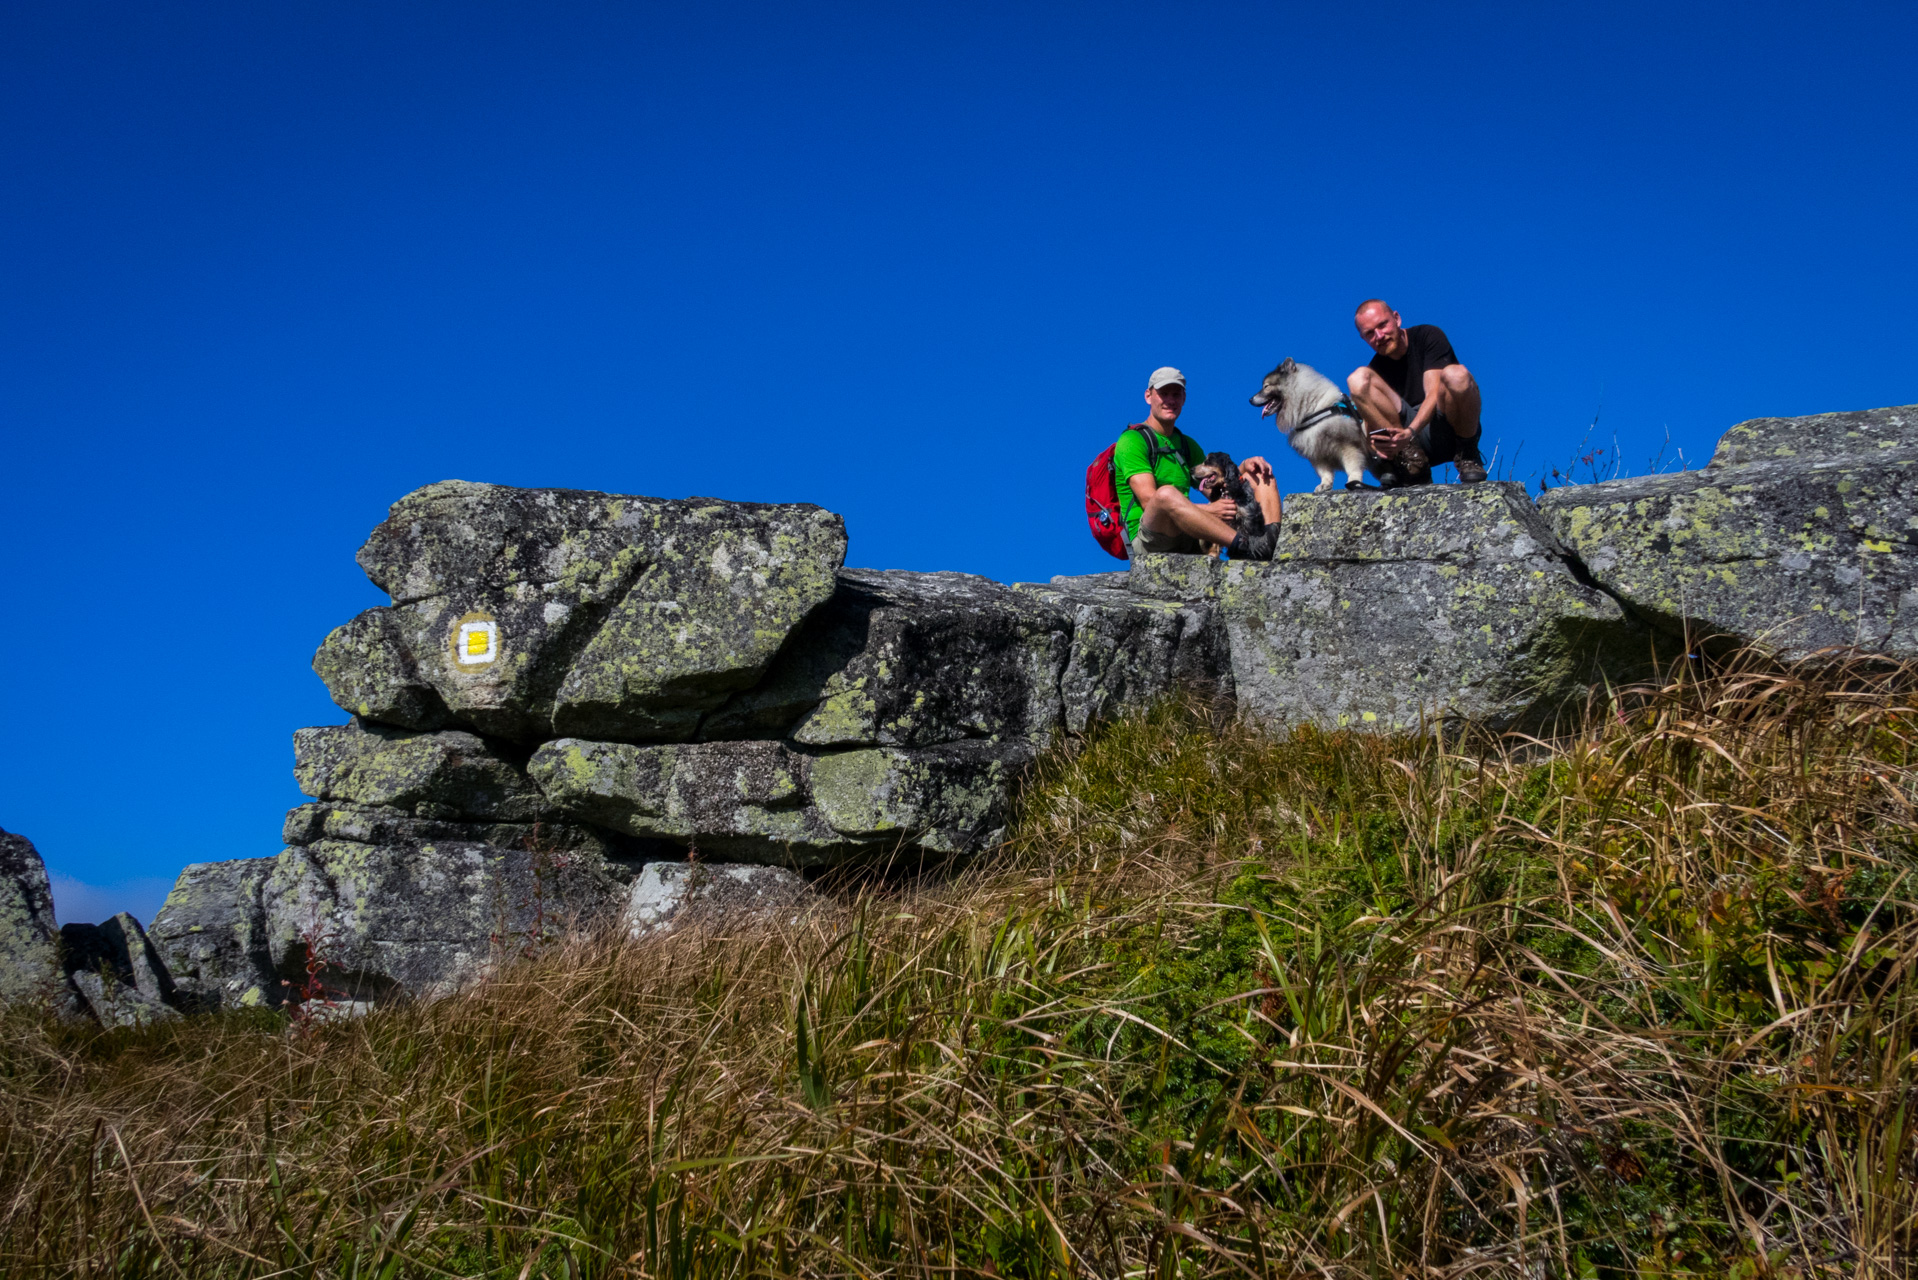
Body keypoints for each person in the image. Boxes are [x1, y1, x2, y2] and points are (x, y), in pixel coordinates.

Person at [1115, 367, 1281, 556]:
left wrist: (1243, 467)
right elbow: (1149, 500)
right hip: (1151, 539)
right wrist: (1209, 511)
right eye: (1163, 394)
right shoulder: (1132, 441)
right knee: (1166, 494)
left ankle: (1270, 543)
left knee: (1257, 474)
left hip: (1188, 533)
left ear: (1184, 399)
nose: (1170, 400)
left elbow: (1215, 485)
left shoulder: (1187, 445)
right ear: (1148, 396)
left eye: (1176, 394)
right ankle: (1245, 546)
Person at [1346, 300, 1487, 484]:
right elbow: (1371, 426)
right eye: (1370, 333)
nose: (1379, 336)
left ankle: (1468, 454)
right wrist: (1378, 446)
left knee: (1457, 375)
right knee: (1357, 380)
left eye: (1382, 325)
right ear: (1364, 339)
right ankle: (1411, 464)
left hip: (1446, 428)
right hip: (1410, 444)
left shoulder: (1428, 336)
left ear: (1396, 318)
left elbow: (1433, 394)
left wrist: (1410, 432)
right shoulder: (1375, 372)